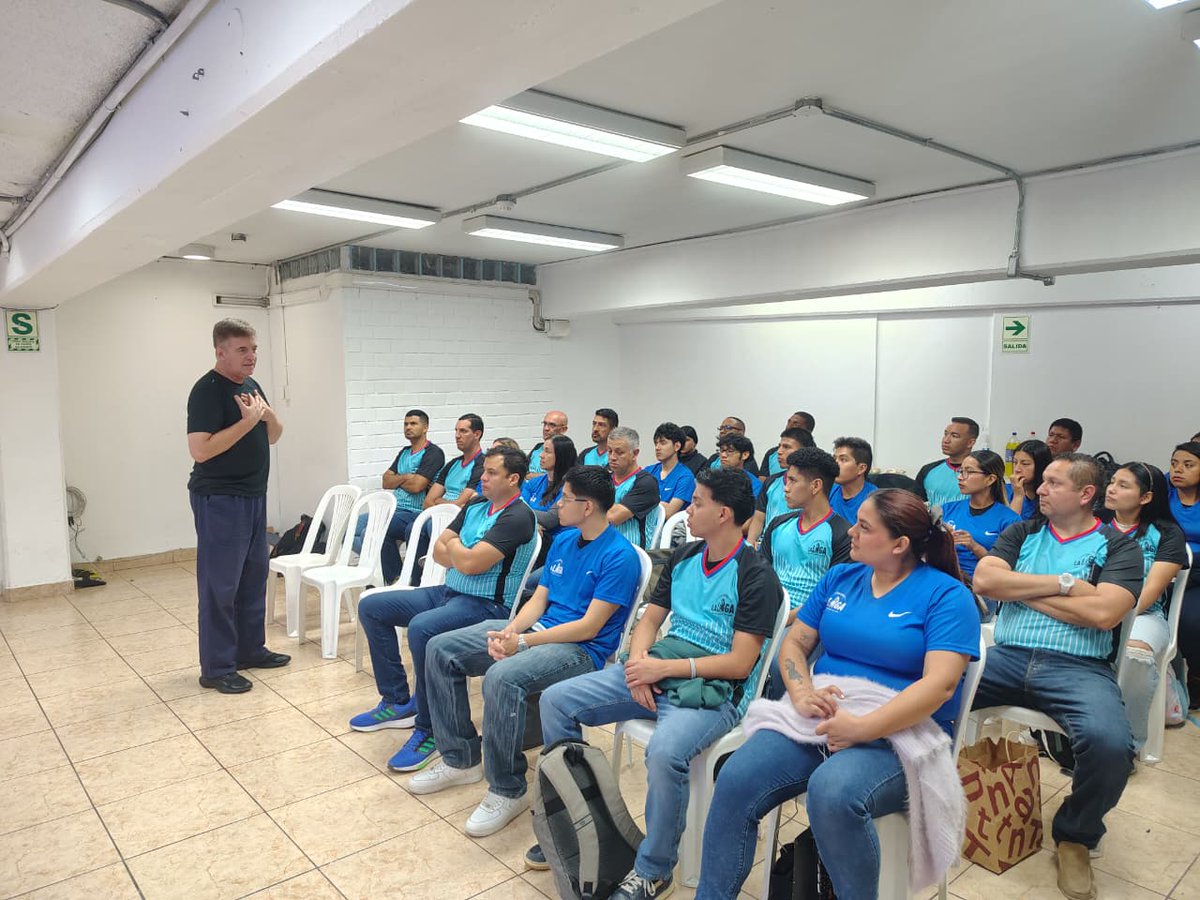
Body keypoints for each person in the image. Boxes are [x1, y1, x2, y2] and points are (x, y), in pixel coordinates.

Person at [696, 489, 979, 900]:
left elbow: (941, 685)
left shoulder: (947, 596)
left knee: (832, 791)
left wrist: (863, 728)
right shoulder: (841, 578)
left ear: (900, 544)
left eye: (864, 528)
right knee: (737, 775)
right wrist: (801, 691)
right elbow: (794, 643)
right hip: (827, 714)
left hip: (900, 734)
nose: (852, 535)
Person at [531, 467, 784, 900]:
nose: (689, 509)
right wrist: (640, 663)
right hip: (657, 670)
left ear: (724, 514)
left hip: (711, 694)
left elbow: (741, 664)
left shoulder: (756, 576)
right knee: (556, 701)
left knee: (665, 754)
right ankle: (582, 823)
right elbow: (650, 621)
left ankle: (653, 868)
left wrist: (662, 670)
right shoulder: (685, 558)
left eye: (698, 502)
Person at [412, 466, 642, 836]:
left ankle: (507, 788)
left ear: (587, 507)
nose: (557, 505)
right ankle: (460, 758)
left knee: (502, 678)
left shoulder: (619, 556)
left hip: (580, 649)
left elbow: (590, 627)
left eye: (565, 499)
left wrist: (524, 643)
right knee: (441, 648)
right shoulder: (566, 540)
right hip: (536, 632)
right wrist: (510, 630)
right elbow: (540, 598)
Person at [971, 454, 1144, 900]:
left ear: (1085, 494)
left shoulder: (1117, 546)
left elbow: (1105, 614)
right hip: (1006, 654)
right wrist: (1068, 586)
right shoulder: (1022, 531)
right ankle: (916, 794)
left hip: (1078, 668)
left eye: (1052, 482)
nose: (1038, 488)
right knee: (931, 692)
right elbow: (986, 582)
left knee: (1111, 746)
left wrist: (1024, 589)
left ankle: (1075, 835)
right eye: (1041, 481)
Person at [348, 447, 538, 772]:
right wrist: (460, 553)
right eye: (484, 471)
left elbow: (474, 564)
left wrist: (458, 552)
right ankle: (396, 701)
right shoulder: (477, 505)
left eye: (492, 473)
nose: (483, 477)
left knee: (423, 628)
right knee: (373, 606)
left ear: (513, 479)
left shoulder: (518, 516)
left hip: (487, 605)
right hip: (449, 592)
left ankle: (430, 727)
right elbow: (441, 553)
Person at [186, 318, 289, 694]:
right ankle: (216, 667)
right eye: (243, 350)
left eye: (255, 349)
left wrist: (266, 415)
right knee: (220, 585)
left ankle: (249, 650)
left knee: (251, 578)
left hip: (252, 496)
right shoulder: (207, 391)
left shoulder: (251, 386)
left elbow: (274, 435)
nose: (252, 357)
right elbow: (201, 449)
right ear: (221, 351)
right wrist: (248, 422)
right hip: (219, 499)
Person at [1103, 463, 1188, 751]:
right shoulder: (1093, 523)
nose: (1112, 489)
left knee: (1136, 651)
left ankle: (1124, 745)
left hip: (1143, 614)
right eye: (1112, 482)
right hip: (1090, 608)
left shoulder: (1166, 533)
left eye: (1123, 485)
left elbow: (1150, 593)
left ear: (1146, 497)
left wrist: (1107, 616)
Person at [758, 448, 852, 698]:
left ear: (816, 486)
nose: (784, 487)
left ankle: (781, 720)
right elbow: (761, 579)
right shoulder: (778, 525)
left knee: (780, 665)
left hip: (810, 619)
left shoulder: (842, 533)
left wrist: (783, 618)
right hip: (770, 611)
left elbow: (832, 596)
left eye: (792, 480)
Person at [352, 409, 446, 584]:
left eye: (413, 424)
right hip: (395, 509)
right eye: (405, 424)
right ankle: (384, 570)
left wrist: (400, 479)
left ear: (425, 427)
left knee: (371, 531)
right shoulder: (404, 452)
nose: (408, 427)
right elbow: (386, 481)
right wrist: (406, 477)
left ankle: (394, 578)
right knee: (351, 529)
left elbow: (417, 486)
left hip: (415, 511)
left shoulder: (433, 453)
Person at [942, 450, 1022, 587]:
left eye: (969, 472)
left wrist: (974, 546)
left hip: (982, 585)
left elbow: (1006, 570)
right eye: (961, 471)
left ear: (990, 479)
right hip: (945, 578)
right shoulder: (947, 509)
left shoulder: (1009, 520)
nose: (960, 477)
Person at [1168, 442, 1200, 704]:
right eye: (1175, 463)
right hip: (1166, 567)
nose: (1178, 469)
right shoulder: (1161, 494)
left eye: (1188, 465)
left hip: (1197, 573)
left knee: (1191, 621)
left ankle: (1196, 678)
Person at [748, 427, 815, 546]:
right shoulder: (771, 482)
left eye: (786, 447)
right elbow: (759, 518)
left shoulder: (812, 485)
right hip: (766, 546)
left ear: (804, 450)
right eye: (779, 446)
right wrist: (750, 543)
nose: (779, 451)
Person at [607, 426, 662, 550]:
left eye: (619, 452)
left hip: (633, 553)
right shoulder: (605, 479)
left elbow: (613, 517)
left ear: (635, 453)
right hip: (605, 548)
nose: (612, 457)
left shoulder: (646, 483)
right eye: (609, 451)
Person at [425, 414, 486, 510]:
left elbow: (458, 505)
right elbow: (428, 502)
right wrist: (447, 504)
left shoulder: (482, 465)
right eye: (456, 431)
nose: (457, 436)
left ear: (477, 434)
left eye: (463, 431)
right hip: (437, 515)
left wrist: (438, 500)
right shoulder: (452, 464)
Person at [915, 417, 979, 509]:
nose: (946, 440)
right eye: (945, 434)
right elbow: (916, 505)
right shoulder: (928, 470)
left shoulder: (983, 473)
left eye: (954, 436)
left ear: (970, 443)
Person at [644, 422, 696, 523]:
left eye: (663, 443)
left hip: (669, 533)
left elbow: (668, 512)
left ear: (677, 446)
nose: (657, 447)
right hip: (645, 527)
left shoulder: (685, 476)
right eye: (656, 443)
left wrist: (644, 501)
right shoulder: (649, 471)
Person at [829, 436, 877, 524]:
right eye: (834, 458)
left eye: (843, 459)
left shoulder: (875, 500)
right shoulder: (828, 490)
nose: (835, 464)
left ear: (861, 468)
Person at [1006, 438, 1052, 520]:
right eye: (1015, 462)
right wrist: (1018, 496)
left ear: (1040, 466)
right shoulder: (1006, 491)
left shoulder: (1050, 494)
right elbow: (1007, 526)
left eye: (1025, 464)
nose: (1017, 469)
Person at [760, 412, 817, 477]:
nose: (789, 426)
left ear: (808, 430)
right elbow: (763, 479)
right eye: (789, 422)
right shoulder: (772, 453)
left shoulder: (816, 458)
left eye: (795, 423)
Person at [716, 434, 762, 501]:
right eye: (722, 451)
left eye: (730, 451)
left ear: (745, 455)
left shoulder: (754, 484)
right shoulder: (713, 478)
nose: (723, 455)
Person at [527, 410, 568, 478]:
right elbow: (523, 471)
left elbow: (564, 477)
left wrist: (534, 476)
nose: (546, 428)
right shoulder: (538, 447)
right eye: (545, 424)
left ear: (563, 429)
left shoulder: (567, 451)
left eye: (552, 425)